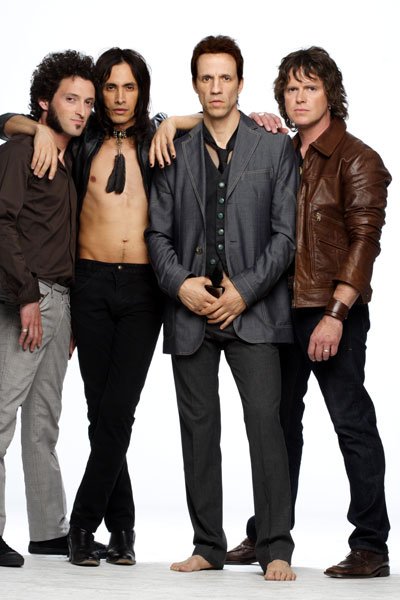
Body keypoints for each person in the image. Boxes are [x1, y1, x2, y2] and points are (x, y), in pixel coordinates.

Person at [0, 47, 201, 567]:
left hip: (142, 290)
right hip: (87, 285)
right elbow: (5, 120)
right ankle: (124, 531)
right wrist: (35, 128)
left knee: (117, 411)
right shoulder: (79, 139)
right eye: (108, 88)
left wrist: (177, 119)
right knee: (100, 412)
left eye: (128, 87)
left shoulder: (159, 138)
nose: (117, 98)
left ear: (141, 92)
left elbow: (215, 119)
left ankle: (84, 523)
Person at [226, 46, 392, 578]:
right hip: (280, 309)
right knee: (278, 426)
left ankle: (371, 545)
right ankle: (268, 534)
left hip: (331, 311)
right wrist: (252, 126)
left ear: (330, 94)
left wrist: (336, 314)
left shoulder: (358, 159)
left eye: (310, 88)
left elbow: (365, 242)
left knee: (351, 423)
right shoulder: (279, 150)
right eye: (291, 89)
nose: (299, 97)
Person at [146, 35, 298, 582]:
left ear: (240, 83)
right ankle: (208, 545)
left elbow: (285, 237)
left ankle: (275, 546)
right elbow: (156, 234)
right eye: (206, 78)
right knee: (198, 430)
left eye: (225, 78)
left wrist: (244, 292)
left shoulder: (273, 147)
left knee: (266, 426)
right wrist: (180, 285)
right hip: (191, 313)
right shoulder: (173, 150)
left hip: (252, 311)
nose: (216, 88)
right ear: (195, 84)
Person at [0, 51, 96, 567]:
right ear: (44, 102)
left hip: (62, 302)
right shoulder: (22, 150)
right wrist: (27, 298)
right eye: (70, 99)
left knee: (43, 421)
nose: (81, 110)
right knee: (1, 413)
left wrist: (68, 311)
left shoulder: (70, 157)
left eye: (87, 102)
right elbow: (2, 224)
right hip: (28, 297)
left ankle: (47, 531)